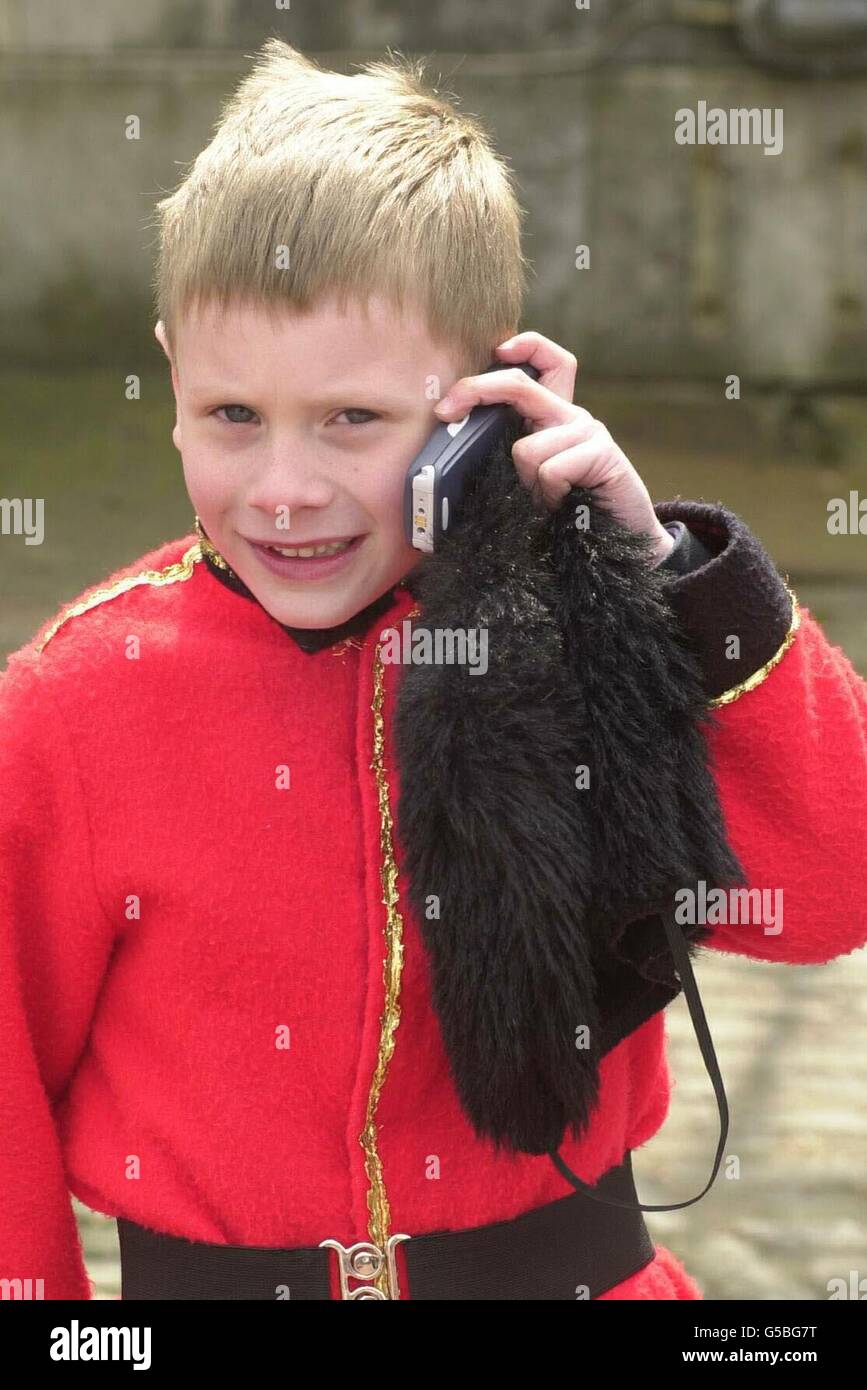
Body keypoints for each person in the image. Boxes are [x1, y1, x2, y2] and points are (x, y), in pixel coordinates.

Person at [1, 38, 865, 1302]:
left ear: (489, 404)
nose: (285, 491)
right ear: (171, 375)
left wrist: (659, 569)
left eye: (353, 419)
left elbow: (835, 878)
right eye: (232, 416)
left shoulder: (597, 626)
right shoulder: (74, 703)